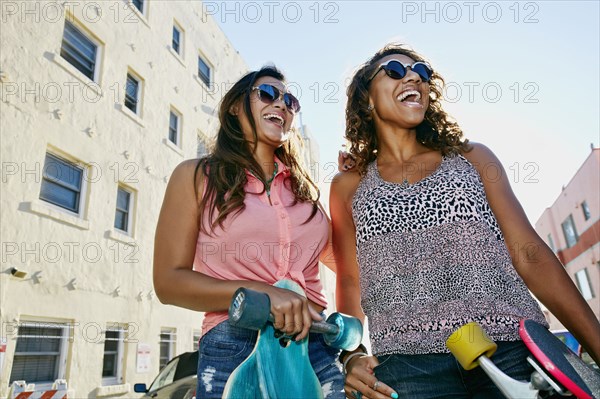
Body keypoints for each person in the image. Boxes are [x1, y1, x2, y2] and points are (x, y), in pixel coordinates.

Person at [330, 43, 600, 399]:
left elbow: (530, 254)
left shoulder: (472, 157)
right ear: (367, 98)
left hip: (510, 348)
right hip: (405, 366)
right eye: (395, 70)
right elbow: (350, 279)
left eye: (423, 73)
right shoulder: (347, 186)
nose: (414, 76)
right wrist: (352, 355)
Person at [153, 66, 345, 398]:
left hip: (316, 347)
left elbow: (351, 266)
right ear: (234, 107)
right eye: (268, 94)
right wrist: (264, 292)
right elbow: (168, 282)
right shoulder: (196, 177)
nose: (282, 105)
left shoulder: (306, 194)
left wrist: (359, 184)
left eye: (291, 101)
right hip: (236, 343)